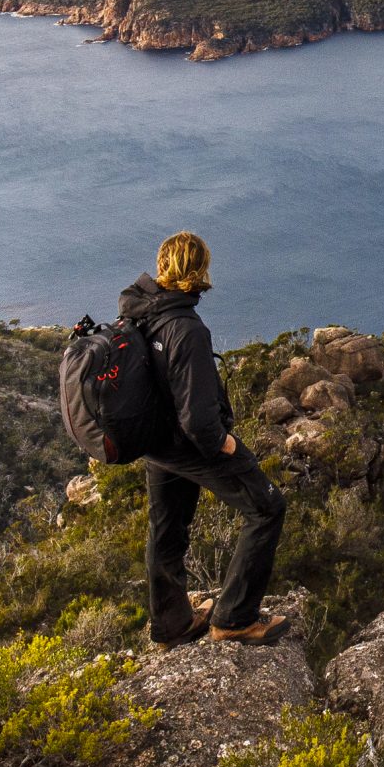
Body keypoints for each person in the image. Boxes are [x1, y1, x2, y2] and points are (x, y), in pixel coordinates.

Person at [121, 231, 289, 646]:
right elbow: (198, 420)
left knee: (167, 530)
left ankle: (171, 623)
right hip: (187, 443)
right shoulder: (185, 328)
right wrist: (225, 445)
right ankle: (234, 618)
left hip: (156, 444)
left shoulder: (140, 310)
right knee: (267, 508)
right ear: (198, 271)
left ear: (163, 266)